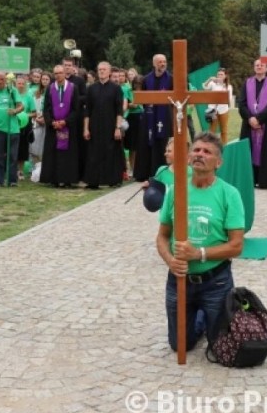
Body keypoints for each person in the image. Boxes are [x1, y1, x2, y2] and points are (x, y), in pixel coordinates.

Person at [155, 131, 244, 352]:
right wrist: (170, 260)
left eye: (207, 152)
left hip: (216, 281)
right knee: (180, 346)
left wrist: (198, 254)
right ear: (187, 157)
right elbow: (162, 235)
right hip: (179, 279)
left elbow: (236, 246)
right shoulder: (176, 192)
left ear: (219, 162)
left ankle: (206, 313)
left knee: (219, 346)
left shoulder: (229, 194)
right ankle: (200, 316)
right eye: (196, 150)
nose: (199, 154)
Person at [238, 58, 267, 189]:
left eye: (262, 65)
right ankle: (249, 179)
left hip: (266, 123)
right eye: (257, 65)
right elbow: (242, 103)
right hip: (248, 124)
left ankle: (265, 180)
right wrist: (250, 118)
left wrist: (259, 119)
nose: (259, 67)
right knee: (248, 150)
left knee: (266, 152)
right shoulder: (247, 83)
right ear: (254, 67)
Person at [83, 61, 125, 189]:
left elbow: (119, 110)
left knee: (111, 152)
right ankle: (93, 181)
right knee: (93, 153)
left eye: (104, 69)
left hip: (110, 125)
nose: (101, 71)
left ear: (109, 72)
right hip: (94, 126)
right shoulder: (91, 88)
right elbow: (87, 111)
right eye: (99, 69)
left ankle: (112, 180)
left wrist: (118, 128)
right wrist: (85, 129)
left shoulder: (116, 88)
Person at [134, 54, 173, 182]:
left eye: (164, 62)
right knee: (146, 142)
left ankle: (161, 172)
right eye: (160, 62)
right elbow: (142, 97)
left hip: (164, 116)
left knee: (161, 144)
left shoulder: (170, 79)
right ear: (154, 64)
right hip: (149, 115)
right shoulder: (147, 79)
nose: (163, 64)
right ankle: (144, 173)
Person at [41, 65, 81, 187]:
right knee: (54, 154)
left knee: (68, 154)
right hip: (53, 128)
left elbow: (76, 108)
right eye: (56, 73)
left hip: (68, 127)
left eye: (60, 73)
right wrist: (52, 122)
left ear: (65, 73)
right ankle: (54, 179)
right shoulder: (50, 88)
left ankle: (68, 179)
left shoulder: (73, 88)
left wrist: (66, 121)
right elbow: (46, 108)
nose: (58, 75)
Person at [202, 68, 234, 144]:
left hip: (223, 110)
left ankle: (224, 147)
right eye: (218, 74)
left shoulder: (228, 86)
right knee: (212, 130)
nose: (219, 76)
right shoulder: (212, 84)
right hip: (213, 110)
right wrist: (209, 79)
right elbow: (204, 86)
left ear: (225, 76)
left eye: (221, 74)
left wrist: (223, 86)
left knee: (224, 131)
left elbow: (228, 98)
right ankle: (210, 146)